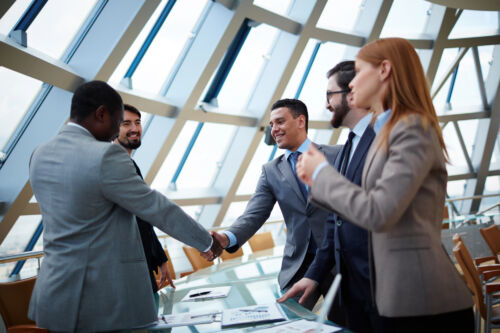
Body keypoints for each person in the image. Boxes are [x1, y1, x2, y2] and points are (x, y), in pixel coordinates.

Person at [296, 38, 474, 332]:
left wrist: (323, 174)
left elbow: (379, 212)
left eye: (360, 71)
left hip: (423, 305)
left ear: (384, 70)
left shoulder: (412, 127)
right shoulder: (387, 134)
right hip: (396, 299)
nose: (352, 84)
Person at [28, 81, 222, 332]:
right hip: (101, 300)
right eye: (117, 121)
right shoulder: (106, 155)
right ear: (101, 114)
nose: (114, 133)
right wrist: (205, 241)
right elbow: (156, 207)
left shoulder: (39, 153)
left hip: (54, 296)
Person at [210, 99, 344, 319]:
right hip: (298, 263)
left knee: (344, 323)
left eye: (280, 122)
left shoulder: (337, 155)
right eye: (272, 124)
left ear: (301, 121)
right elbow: (254, 214)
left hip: (338, 260)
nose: (274, 130)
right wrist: (226, 238)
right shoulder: (270, 171)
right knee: (287, 322)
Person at [278, 61, 383, 333]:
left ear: (352, 93)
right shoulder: (349, 145)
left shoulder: (383, 139)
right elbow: (334, 221)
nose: (326, 105)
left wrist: (322, 174)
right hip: (353, 290)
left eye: (329, 96)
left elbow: (380, 211)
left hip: (382, 286)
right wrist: (313, 275)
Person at [114, 104, 174, 308]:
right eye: (126, 123)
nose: (134, 128)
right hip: (125, 271)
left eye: (137, 123)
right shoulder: (114, 164)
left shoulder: (129, 163)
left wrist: (160, 259)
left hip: (140, 264)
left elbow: (141, 217)